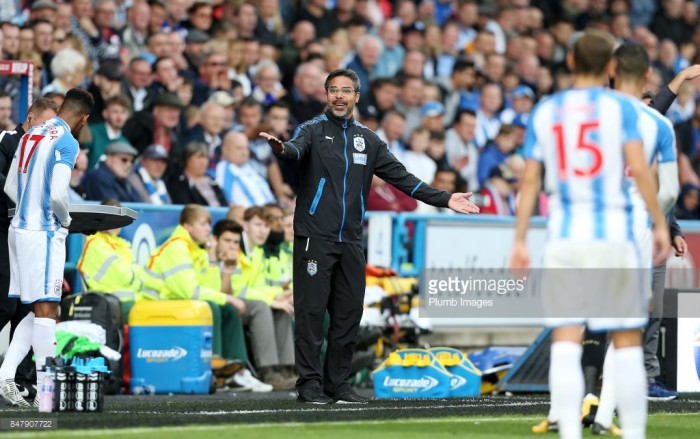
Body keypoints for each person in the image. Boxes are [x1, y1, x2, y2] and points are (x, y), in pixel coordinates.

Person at [260, 68, 479, 404]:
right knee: (311, 314)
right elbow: (294, 148)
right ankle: (309, 385)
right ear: (326, 94)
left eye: (345, 90)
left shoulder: (370, 140)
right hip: (314, 237)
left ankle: (338, 384)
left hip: (350, 240)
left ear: (356, 97)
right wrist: (281, 150)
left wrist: (446, 198)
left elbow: (403, 179)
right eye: (333, 90)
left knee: (349, 315)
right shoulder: (313, 130)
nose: (339, 96)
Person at [509, 31, 671, 439]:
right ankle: (632, 432)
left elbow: (530, 183)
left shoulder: (546, 110)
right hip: (615, 233)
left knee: (566, 339)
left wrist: (520, 239)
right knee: (627, 340)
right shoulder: (624, 110)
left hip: (565, 236)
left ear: (569, 61)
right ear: (612, 68)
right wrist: (658, 223)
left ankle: (568, 433)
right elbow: (642, 169)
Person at [0, 88, 94, 408]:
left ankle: (7, 374)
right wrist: (64, 220)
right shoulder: (68, 141)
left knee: (38, 307)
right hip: (42, 233)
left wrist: (27, 209)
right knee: (47, 310)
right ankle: (48, 395)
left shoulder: (32, 133)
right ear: (83, 118)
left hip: (17, 230)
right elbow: (57, 195)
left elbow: (11, 186)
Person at [147, 204, 272, 392]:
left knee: (227, 310)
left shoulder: (197, 250)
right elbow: (191, 293)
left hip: (178, 304)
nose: (208, 229)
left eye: (209, 224)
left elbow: (211, 290)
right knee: (213, 308)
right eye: (203, 224)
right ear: (188, 226)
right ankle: (216, 370)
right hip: (158, 306)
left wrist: (214, 260)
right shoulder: (177, 247)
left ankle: (237, 372)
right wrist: (229, 298)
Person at [0, 97, 59, 403]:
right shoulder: (7, 140)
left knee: (28, 307)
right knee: (6, 306)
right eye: (46, 123)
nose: (51, 130)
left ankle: (22, 380)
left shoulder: (47, 148)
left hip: (29, 233)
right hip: (5, 230)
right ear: (31, 117)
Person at [77, 199, 164, 320]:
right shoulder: (96, 244)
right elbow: (125, 277)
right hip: (111, 303)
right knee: (159, 316)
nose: (116, 223)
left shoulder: (122, 244)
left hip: (128, 301)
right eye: (111, 218)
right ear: (101, 219)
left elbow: (137, 273)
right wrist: (141, 281)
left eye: (119, 218)